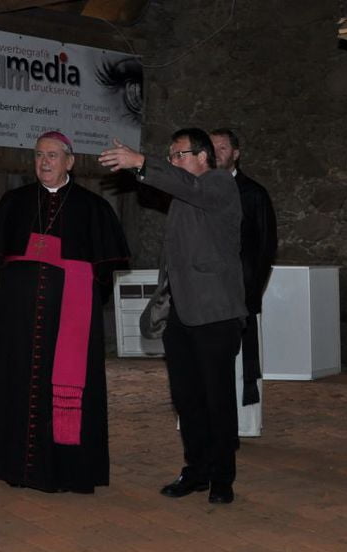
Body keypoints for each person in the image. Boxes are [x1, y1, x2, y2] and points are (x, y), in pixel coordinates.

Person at [99, 129, 246, 504]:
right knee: (186, 398)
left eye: (179, 154)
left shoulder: (219, 184)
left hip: (215, 314)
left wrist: (142, 162)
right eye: (170, 156)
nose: (173, 161)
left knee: (217, 399)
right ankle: (196, 470)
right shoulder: (183, 195)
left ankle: (222, 478)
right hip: (180, 313)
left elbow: (190, 187)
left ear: (203, 156)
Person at [0, 131, 129, 493]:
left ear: (69, 162)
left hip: (68, 323)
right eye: (38, 155)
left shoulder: (93, 208)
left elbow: (103, 271)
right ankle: (14, 467)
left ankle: (68, 471)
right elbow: (1, 260)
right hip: (19, 321)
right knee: (16, 383)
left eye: (52, 155)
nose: (44, 162)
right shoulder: (14, 203)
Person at [210, 128, 277, 438]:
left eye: (222, 147)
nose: (216, 153)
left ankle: (243, 423)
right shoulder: (197, 188)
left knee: (241, 361)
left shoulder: (253, 194)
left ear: (236, 153)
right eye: (211, 147)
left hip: (240, 292)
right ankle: (205, 418)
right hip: (205, 294)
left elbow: (265, 247)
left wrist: (250, 290)